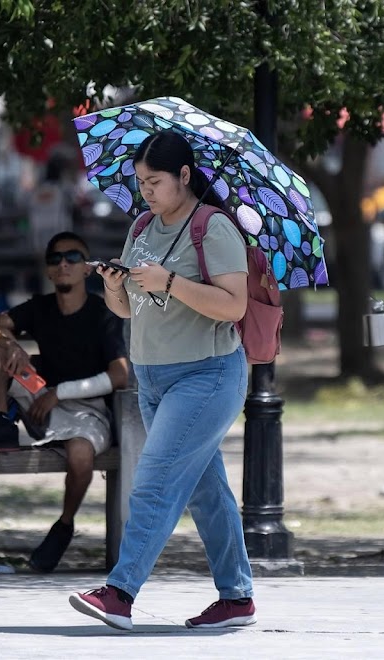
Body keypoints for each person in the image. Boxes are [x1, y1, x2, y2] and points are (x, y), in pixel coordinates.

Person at [69, 130, 256, 630]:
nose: (146, 191)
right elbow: (129, 309)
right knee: (205, 490)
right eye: (140, 182)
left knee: (153, 481)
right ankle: (237, 599)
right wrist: (114, 286)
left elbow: (233, 306)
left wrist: (170, 281)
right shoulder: (142, 227)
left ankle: (120, 592)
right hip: (152, 378)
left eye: (154, 181)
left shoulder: (214, 228)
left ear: (185, 176)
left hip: (208, 375)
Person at [0, 231, 129, 572]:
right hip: (40, 396)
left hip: (86, 408)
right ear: (48, 270)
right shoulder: (40, 307)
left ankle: (64, 525)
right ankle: (1, 421)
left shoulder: (103, 314)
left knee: (81, 454)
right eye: (55, 259)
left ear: (87, 269)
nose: (64, 264)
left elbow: (120, 375)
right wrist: (8, 341)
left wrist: (62, 392)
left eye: (73, 257)